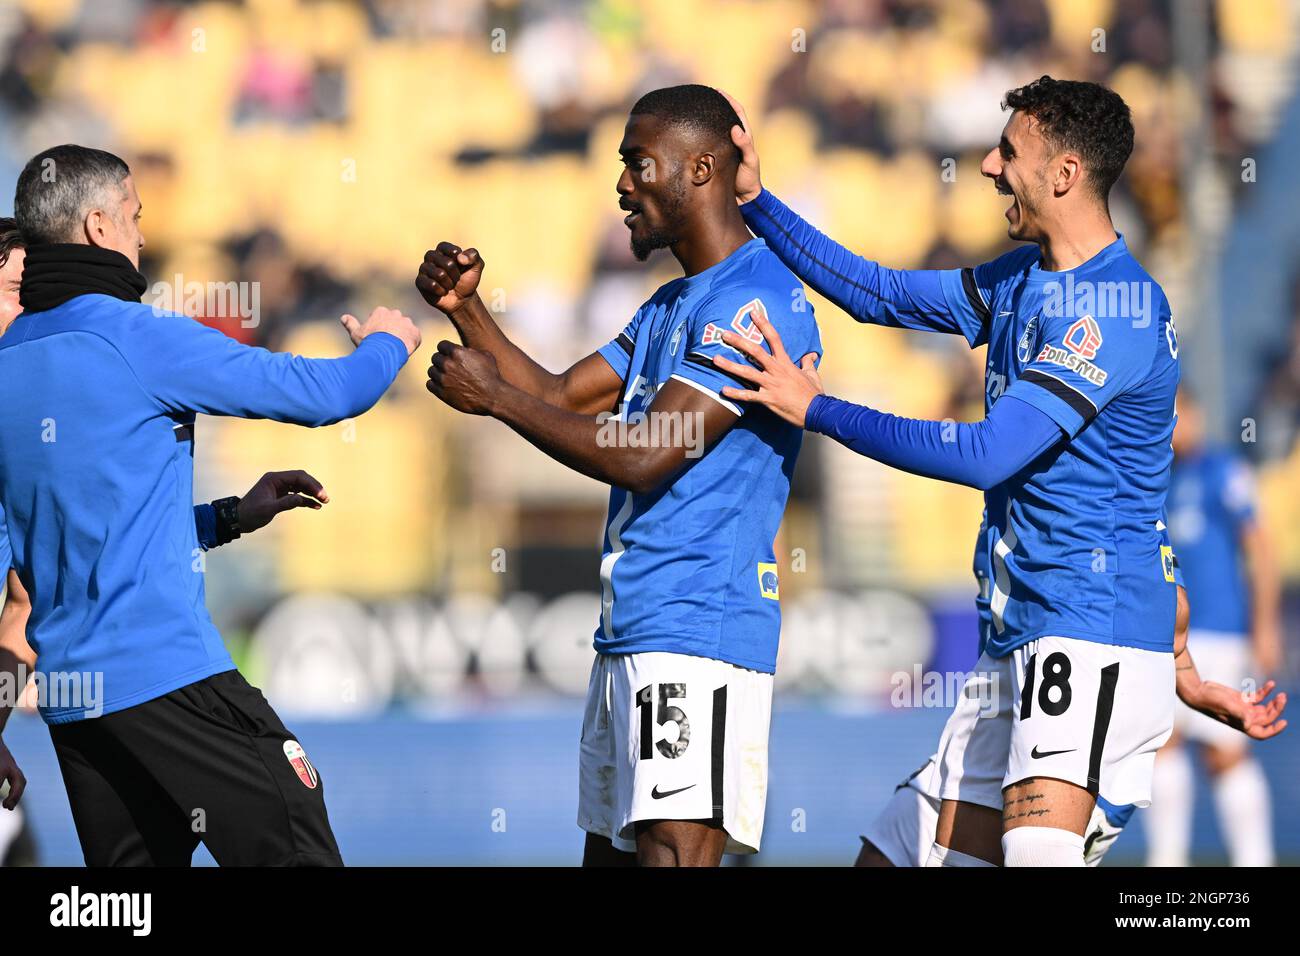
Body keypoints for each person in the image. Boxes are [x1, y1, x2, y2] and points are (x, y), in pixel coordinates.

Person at [719, 76, 1180, 866]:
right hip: (1020, 643)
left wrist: (817, 408)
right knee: (891, 857)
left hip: (1089, 635)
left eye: (1010, 152)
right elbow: (880, 294)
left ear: (1064, 174)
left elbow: (985, 454)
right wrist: (757, 202)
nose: (989, 168)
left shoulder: (1112, 311)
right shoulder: (1022, 279)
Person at [417, 85, 821, 866]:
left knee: (675, 855)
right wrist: (467, 311)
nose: (623, 184)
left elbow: (644, 452)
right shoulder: (672, 304)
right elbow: (562, 396)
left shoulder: (755, 302)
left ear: (701, 168)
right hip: (632, 629)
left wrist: (493, 399)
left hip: (698, 624)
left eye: (640, 163)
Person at [0, 144, 421, 866]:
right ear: (99, 226)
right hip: (167, 676)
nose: (141, 234)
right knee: (296, 840)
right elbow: (329, 394)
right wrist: (388, 344)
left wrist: (231, 516)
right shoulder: (138, 335)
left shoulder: (10, 363)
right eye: (134, 217)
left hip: (79, 711)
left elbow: (48, 556)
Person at [860, 582, 1287, 866]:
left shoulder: (1076, 463)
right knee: (892, 844)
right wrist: (1191, 682)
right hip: (1001, 684)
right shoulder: (1017, 492)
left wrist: (847, 436)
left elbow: (1170, 598)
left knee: (1033, 849)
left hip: (1075, 681)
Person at [1147, 388, 1284, 866]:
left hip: (1222, 630)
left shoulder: (1223, 469)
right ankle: (1167, 860)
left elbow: (1261, 549)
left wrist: (1265, 626)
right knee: (1163, 743)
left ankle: (1255, 860)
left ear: (1198, 416)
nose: (1173, 424)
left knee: (1224, 753)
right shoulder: (1154, 479)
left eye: (1179, 413)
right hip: (1169, 635)